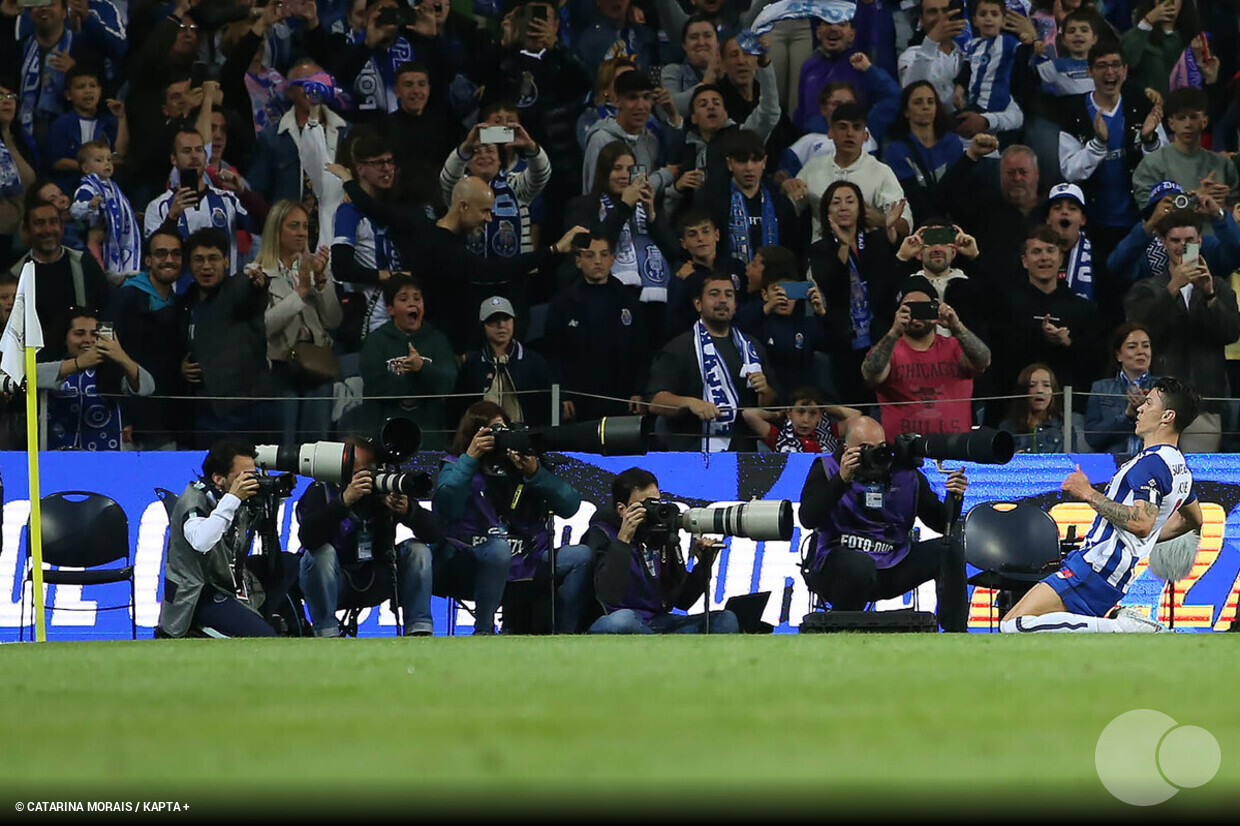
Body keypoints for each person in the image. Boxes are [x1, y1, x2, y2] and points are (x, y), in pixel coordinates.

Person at [1001, 377, 1203, 632]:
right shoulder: (1178, 467)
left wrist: (1087, 493)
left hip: (1097, 567)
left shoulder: (1152, 464)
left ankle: (1124, 627)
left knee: (1013, 626)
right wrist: (1150, 537)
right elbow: (1194, 519)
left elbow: (1141, 522)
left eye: (1149, 403)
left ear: (1167, 416)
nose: (1140, 408)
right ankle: (1120, 625)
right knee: (1017, 624)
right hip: (1104, 569)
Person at [433, 401, 592, 635]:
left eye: (503, 430)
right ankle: (484, 632)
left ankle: (564, 632)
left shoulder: (521, 463)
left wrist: (536, 474)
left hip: (529, 560)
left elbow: (570, 505)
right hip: (474, 563)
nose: (499, 437)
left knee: (581, 556)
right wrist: (471, 458)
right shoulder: (456, 464)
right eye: (492, 431)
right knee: (498, 550)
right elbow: (446, 506)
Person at [798, 415, 969, 632]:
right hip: (837, 565)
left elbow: (940, 524)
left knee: (948, 550)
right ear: (846, 449)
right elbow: (807, 518)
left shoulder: (905, 475)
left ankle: (956, 634)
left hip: (893, 563)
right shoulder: (827, 468)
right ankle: (844, 633)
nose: (873, 455)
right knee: (858, 565)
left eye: (879, 447)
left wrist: (954, 498)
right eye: (865, 449)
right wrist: (841, 481)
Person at [297, 435, 443, 637]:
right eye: (362, 472)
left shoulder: (382, 493)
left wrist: (410, 512)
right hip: (334, 582)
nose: (370, 476)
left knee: (417, 550)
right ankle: (326, 633)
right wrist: (343, 502)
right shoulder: (321, 490)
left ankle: (419, 630)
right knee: (321, 553)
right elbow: (308, 538)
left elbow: (435, 533)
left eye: (373, 469)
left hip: (377, 578)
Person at [1124, 214, 1240, 453]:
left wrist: (1209, 295)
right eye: (1175, 240)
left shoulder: (1218, 287)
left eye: (1189, 240)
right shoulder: (1147, 288)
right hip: (1161, 403)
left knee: (1198, 479)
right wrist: (1172, 288)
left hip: (1206, 403)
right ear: (1164, 243)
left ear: (1199, 240)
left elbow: (1231, 332)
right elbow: (1139, 330)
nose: (1182, 246)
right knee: (1160, 471)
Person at [156, 441, 291, 638]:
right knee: (263, 636)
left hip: (227, 581)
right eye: (242, 477)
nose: (249, 482)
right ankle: (197, 632)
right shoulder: (194, 500)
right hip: (196, 593)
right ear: (219, 479)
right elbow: (201, 541)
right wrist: (233, 499)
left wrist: (276, 493)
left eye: (253, 475)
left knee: (288, 565)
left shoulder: (235, 496)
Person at [584, 466, 738, 634]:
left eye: (656, 502)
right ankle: (666, 648)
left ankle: (661, 647)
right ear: (623, 509)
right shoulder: (601, 534)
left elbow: (683, 601)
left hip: (659, 622)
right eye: (645, 505)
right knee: (622, 621)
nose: (653, 511)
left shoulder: (661, 533)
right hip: (615, 619)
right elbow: (608, 594)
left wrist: (704, 565)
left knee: (725, 619)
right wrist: (623, 541)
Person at [1055, 43, 1166, 259]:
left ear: (1125, 70)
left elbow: (1162, 165)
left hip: (1138, 220)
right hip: (1092, 223)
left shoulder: (1141, 105)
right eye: (1102, 66)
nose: (1110, 72)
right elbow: (1070, 171)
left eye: (1116, 65)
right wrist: (1098, 144)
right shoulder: (1074, 112)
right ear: (1089, 71)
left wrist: (1149, 139)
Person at [647, 271, 775, 452]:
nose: (723, 300)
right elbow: (656, 401)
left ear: (735, 304)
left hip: (746, 453)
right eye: (714, 294)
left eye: (729, 295)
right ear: (698, 303)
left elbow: (772, 406)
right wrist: (690, 403)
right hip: (694, 452)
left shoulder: (751, 347)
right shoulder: (678, 348)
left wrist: (765, 391)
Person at [806, 180, 902, 408]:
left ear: (860, 208)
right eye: (836, 202)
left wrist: (889, 231)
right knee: (855, 404)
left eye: (850, 201)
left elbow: (891, 277)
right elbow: (831, 285)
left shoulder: (876, 241)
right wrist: (844, 246)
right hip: (844, 340)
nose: (843, 207)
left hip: (880, 335)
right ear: (826, 211)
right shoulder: (820, 249)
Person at [862, 275, 992, 441]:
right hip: (903, 455)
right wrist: (894, 331)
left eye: (923, 308)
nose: (916, 316)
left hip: (954, 453)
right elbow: (870, 374)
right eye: (909, 309)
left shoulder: (954, 346)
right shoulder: (889, 350)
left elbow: (983, 361)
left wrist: (957, 327)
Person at [178, 228, 275, 447]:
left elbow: (251, 290)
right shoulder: (186, 301)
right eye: (198, 259)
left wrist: (259, 283)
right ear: (189, 264)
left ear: (226, 261)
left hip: (243, 410)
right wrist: (181, 367)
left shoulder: (236, 287)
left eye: (213, 258)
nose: (206, 266)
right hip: (203, 409)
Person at [257, 200, 341, 443]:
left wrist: (322, 282)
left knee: (318, 444)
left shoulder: (315, 268)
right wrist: (301, 291)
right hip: (282, 368)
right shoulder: (257, 273)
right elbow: (264, 326)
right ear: (276, 230)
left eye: (305, 226)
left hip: (318, 364)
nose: (302, 232)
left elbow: (334, 320)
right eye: (294, 226)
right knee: (286, 443)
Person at [543, 230, 649, 421]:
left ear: (613, 259)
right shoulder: (563, 303)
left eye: (604, 255)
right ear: (578, 261)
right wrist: (563, 395)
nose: (598, 261)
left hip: (622, 400)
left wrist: (639, 391)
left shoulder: (629, 301)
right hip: (578, 403)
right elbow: (553, 354)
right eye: (590, 255)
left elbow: (642, 350)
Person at [108, 227, 187, 450]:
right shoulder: (125, 298)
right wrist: (124, 415)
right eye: (161, 253)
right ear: (148, 260)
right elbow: (109, 358)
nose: (169, 260)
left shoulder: (181, 304)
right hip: (131, 424)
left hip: (167, 420)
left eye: (176, 253)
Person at [358, 273, 458, 449]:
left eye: (417, 298)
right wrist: (419, 380)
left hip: (430, 439)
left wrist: (421, 368)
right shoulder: (376, 341)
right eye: (404, 299)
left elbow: (448, 383)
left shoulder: (437, 339)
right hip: (386, 440)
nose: (412, 303)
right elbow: (375, 387)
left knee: (428, 475)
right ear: (391, 309)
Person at [35, 306, 154, 450]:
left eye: (94, 334)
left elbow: (147, 388)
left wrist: (122, 357)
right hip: (56, 455)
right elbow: (29, 376)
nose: (88, 340)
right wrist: (79, 363)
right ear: (64, 338)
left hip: (106, 458)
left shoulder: (114, 369)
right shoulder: (52, 362)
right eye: (79, 334)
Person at [792, 102, 913, 243]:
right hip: (821, 254)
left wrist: (881, 220)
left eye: (856, 128)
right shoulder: (812, 168)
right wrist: (788, 189)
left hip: (866, 256)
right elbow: (790, 208)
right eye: (842, 127)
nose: (850, 133)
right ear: (830, 133)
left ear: (865, 136)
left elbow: (906, 225)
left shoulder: (881, 172)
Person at [8, 187, 109, 348]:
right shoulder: (16, 274)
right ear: (27, 229)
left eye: (53, 222)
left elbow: (107, 308)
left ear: (61, 227)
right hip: (36, 360)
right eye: (39, 223)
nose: (48, 230)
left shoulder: (85, 263)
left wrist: (106, 348)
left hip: (86, 353)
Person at [143, 126, 251, 274]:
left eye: (199, 150)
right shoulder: (158, 207)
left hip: (224, 293)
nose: (194, 156)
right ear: (173, 158)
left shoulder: (227, 200)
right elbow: (155, 254)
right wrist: (172, 218)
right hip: (179, 294)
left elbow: (262, 225)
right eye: (187, 151)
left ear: (206, 156)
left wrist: (243, 192)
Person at [1131, 88, 1240, 214]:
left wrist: (1222, 206)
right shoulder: (1153, 164)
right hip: (1174, 233)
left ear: (1204, 121)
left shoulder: (1223, 164)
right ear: (1171, 123)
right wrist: (1196, 198)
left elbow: (1235, 213)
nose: (1188, 124)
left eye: (1194, 117)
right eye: (1181, 118)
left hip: (1217, 233)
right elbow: (1148, 212)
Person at [455, 295, 554, 427]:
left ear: (514, 321)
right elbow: (459, 407)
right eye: (493, 320)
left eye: (506, 319)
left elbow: (548, 405)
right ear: (482, 325)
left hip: (527, 436)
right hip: (482, 436)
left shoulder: (534, 362)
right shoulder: (472, 365)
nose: (501, 325)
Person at [881, 80, 967, 224]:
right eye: (918, 102)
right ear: (906, 111)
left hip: (955, 221)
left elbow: (959, 192)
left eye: (930, 101)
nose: (925, 106)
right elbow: (914, 199)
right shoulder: (896, 150)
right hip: (919, 224)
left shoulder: (952, 143)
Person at [68, 140, 139, 285]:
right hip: (98, 240)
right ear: (86, 168)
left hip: (116, 238)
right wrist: (90, 205)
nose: (106, 164)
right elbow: (75, 210)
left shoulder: (114, 188)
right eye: (99, 160)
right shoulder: (87, 188)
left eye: (109, 159)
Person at [1085, 322, 1158, 455]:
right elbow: (1092, 438)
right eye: (1132, 347)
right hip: (1112, 463)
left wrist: (1150, 407)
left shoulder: (1162, 387)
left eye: (1146, 346)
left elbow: (1171, 431)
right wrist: (1127, 415)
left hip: (1152, 462)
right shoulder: (1100, 388)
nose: (1141, 351)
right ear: (1118, 355)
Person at [741, 385, 860, 454]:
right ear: (789, 412)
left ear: (820, 416)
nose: (806, 420)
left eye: (813, 413)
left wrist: (826, 408)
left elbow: (857, 416)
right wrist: (776, 414)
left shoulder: (830, 433)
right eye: (800, 412)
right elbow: (748, 414)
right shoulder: (778, 436)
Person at [998, 362, 1087, 453]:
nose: (1040, 390)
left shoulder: (1065, 427)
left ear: (1053, 392)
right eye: (1032, 385)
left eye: (1046, 385)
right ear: (1023, 391)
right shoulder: (1007, 427)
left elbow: (1071, 462)